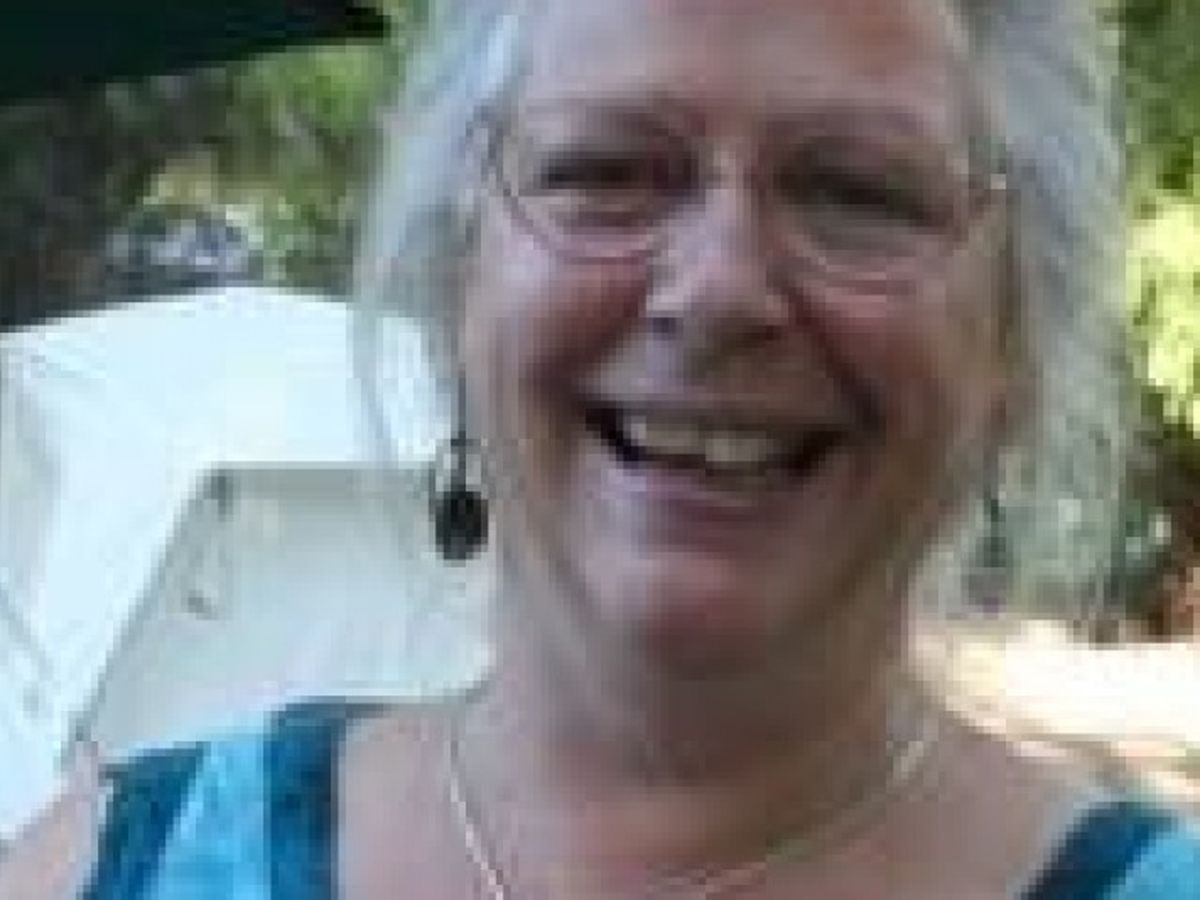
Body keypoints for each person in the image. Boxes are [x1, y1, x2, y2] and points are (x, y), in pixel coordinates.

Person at [3, 0, 1199, 897]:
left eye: (857, 192)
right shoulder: (111, 869)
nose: (718, 290)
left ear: (1011, 342)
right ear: (457, 282)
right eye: (607, 170)